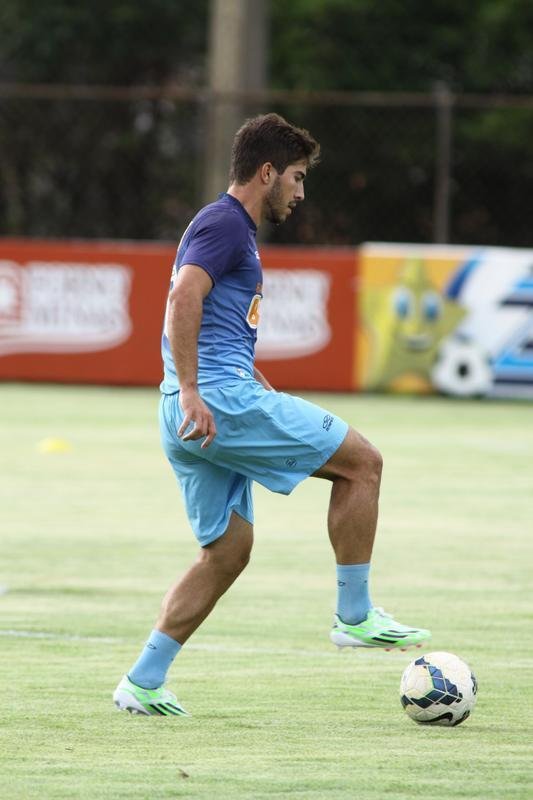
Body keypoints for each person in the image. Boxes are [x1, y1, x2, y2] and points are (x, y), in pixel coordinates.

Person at [113, 113, 431, 717]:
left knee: (227, 552)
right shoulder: (227, 224)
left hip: (189, 410)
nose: (301, 192)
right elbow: (183, 296)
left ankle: (143, 681)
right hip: (215, 403)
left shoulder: (222, 226)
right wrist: (194, 388)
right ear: (267, 172)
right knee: (362, 464)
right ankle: (355, 615)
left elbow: (213, 322)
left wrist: (212, 385)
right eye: (297, 177)